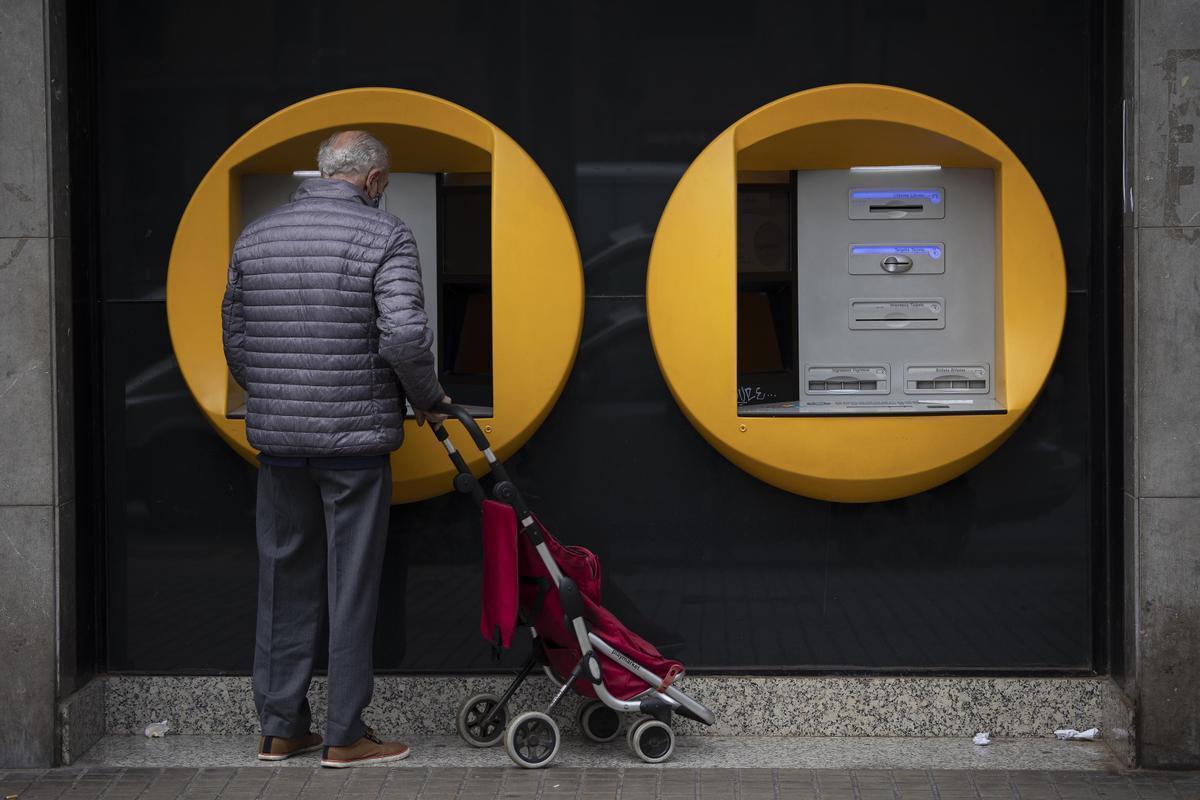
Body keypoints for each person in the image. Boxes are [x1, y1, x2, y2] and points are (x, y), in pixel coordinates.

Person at [221, 130, 450, 767]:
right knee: (350, 585)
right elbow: (404, 337)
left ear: (322, 173)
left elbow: (235, 338)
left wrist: (277, 394)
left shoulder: (257, 235)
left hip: (281, 443)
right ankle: (346, 734)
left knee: (282, 578)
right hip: (353, 446)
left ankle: (280, 728)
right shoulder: (387, 234)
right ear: (375, 180)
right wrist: (426, 398)